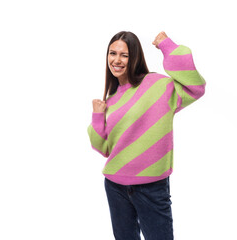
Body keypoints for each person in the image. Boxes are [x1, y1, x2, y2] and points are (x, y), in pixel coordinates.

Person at [87, 31, 206, 240]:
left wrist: (166, 45)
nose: (116, 60)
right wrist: (98, 116)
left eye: (124, 55)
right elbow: (103, 148)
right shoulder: (112, 99)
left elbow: (195, 87)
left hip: (151, 187)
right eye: (112, 53)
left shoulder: (159, 85)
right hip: (115, 187)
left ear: (135, 57)